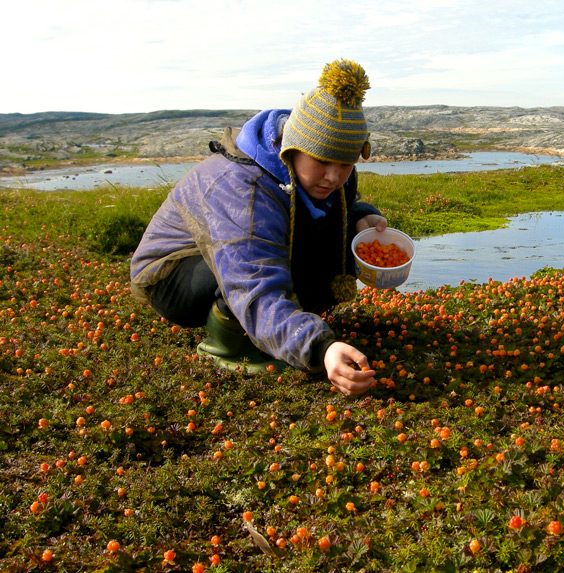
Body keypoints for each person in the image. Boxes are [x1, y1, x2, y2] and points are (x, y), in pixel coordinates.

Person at [130, 59, 384, 396]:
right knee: (247, 273)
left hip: (238, 255)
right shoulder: (243, 188)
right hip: (174, 276)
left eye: (346, 163)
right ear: (291, 148)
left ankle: (277, 328)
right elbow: (251, 280)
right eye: (323, 161)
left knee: (339, 238)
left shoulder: (328, 175)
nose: (335, 177)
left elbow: (334, 209)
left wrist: (360, 218)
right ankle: (228, 345)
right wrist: (320, 349)